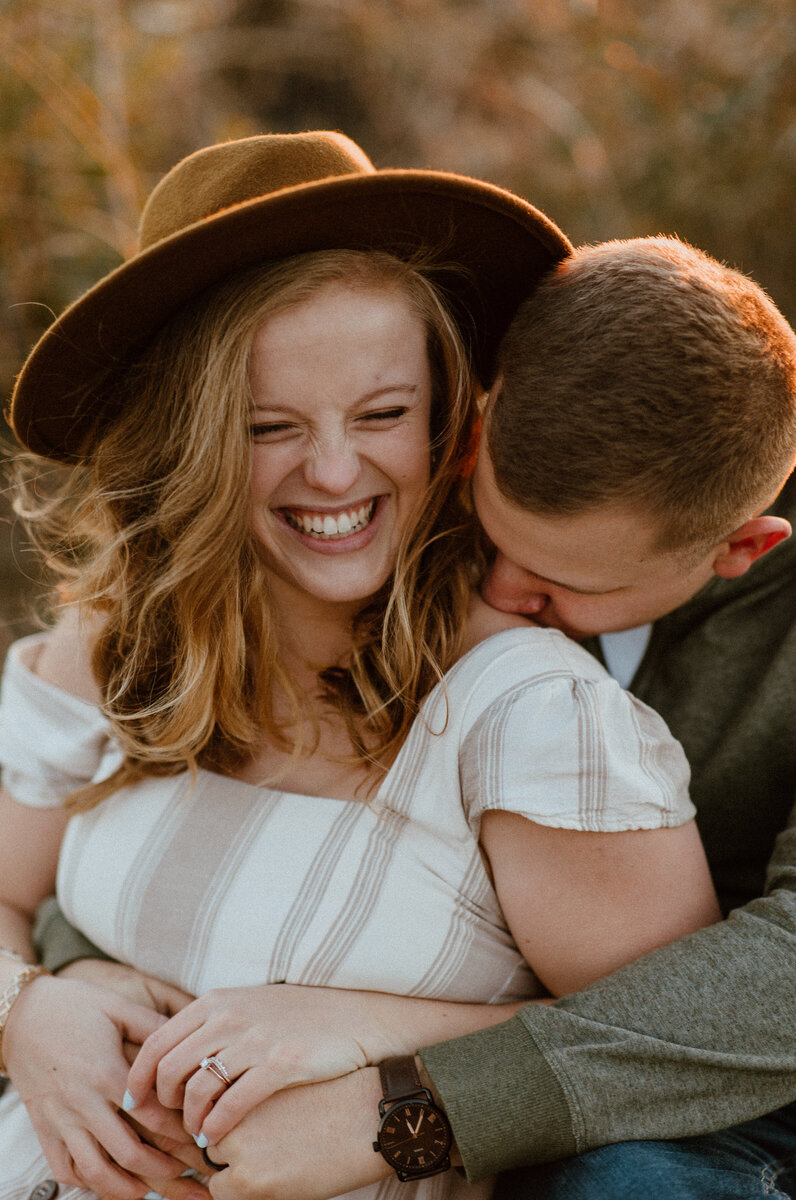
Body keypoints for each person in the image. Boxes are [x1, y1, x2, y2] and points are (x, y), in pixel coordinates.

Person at [0, 133, 718, 1200]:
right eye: (267, 427)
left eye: (382, 414)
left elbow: (671, 1054)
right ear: (182, 443)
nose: (334, 472)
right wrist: (26, 1010)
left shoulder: (525, 716)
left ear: (446, 416)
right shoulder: (113, 647)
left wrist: (376, 1039)